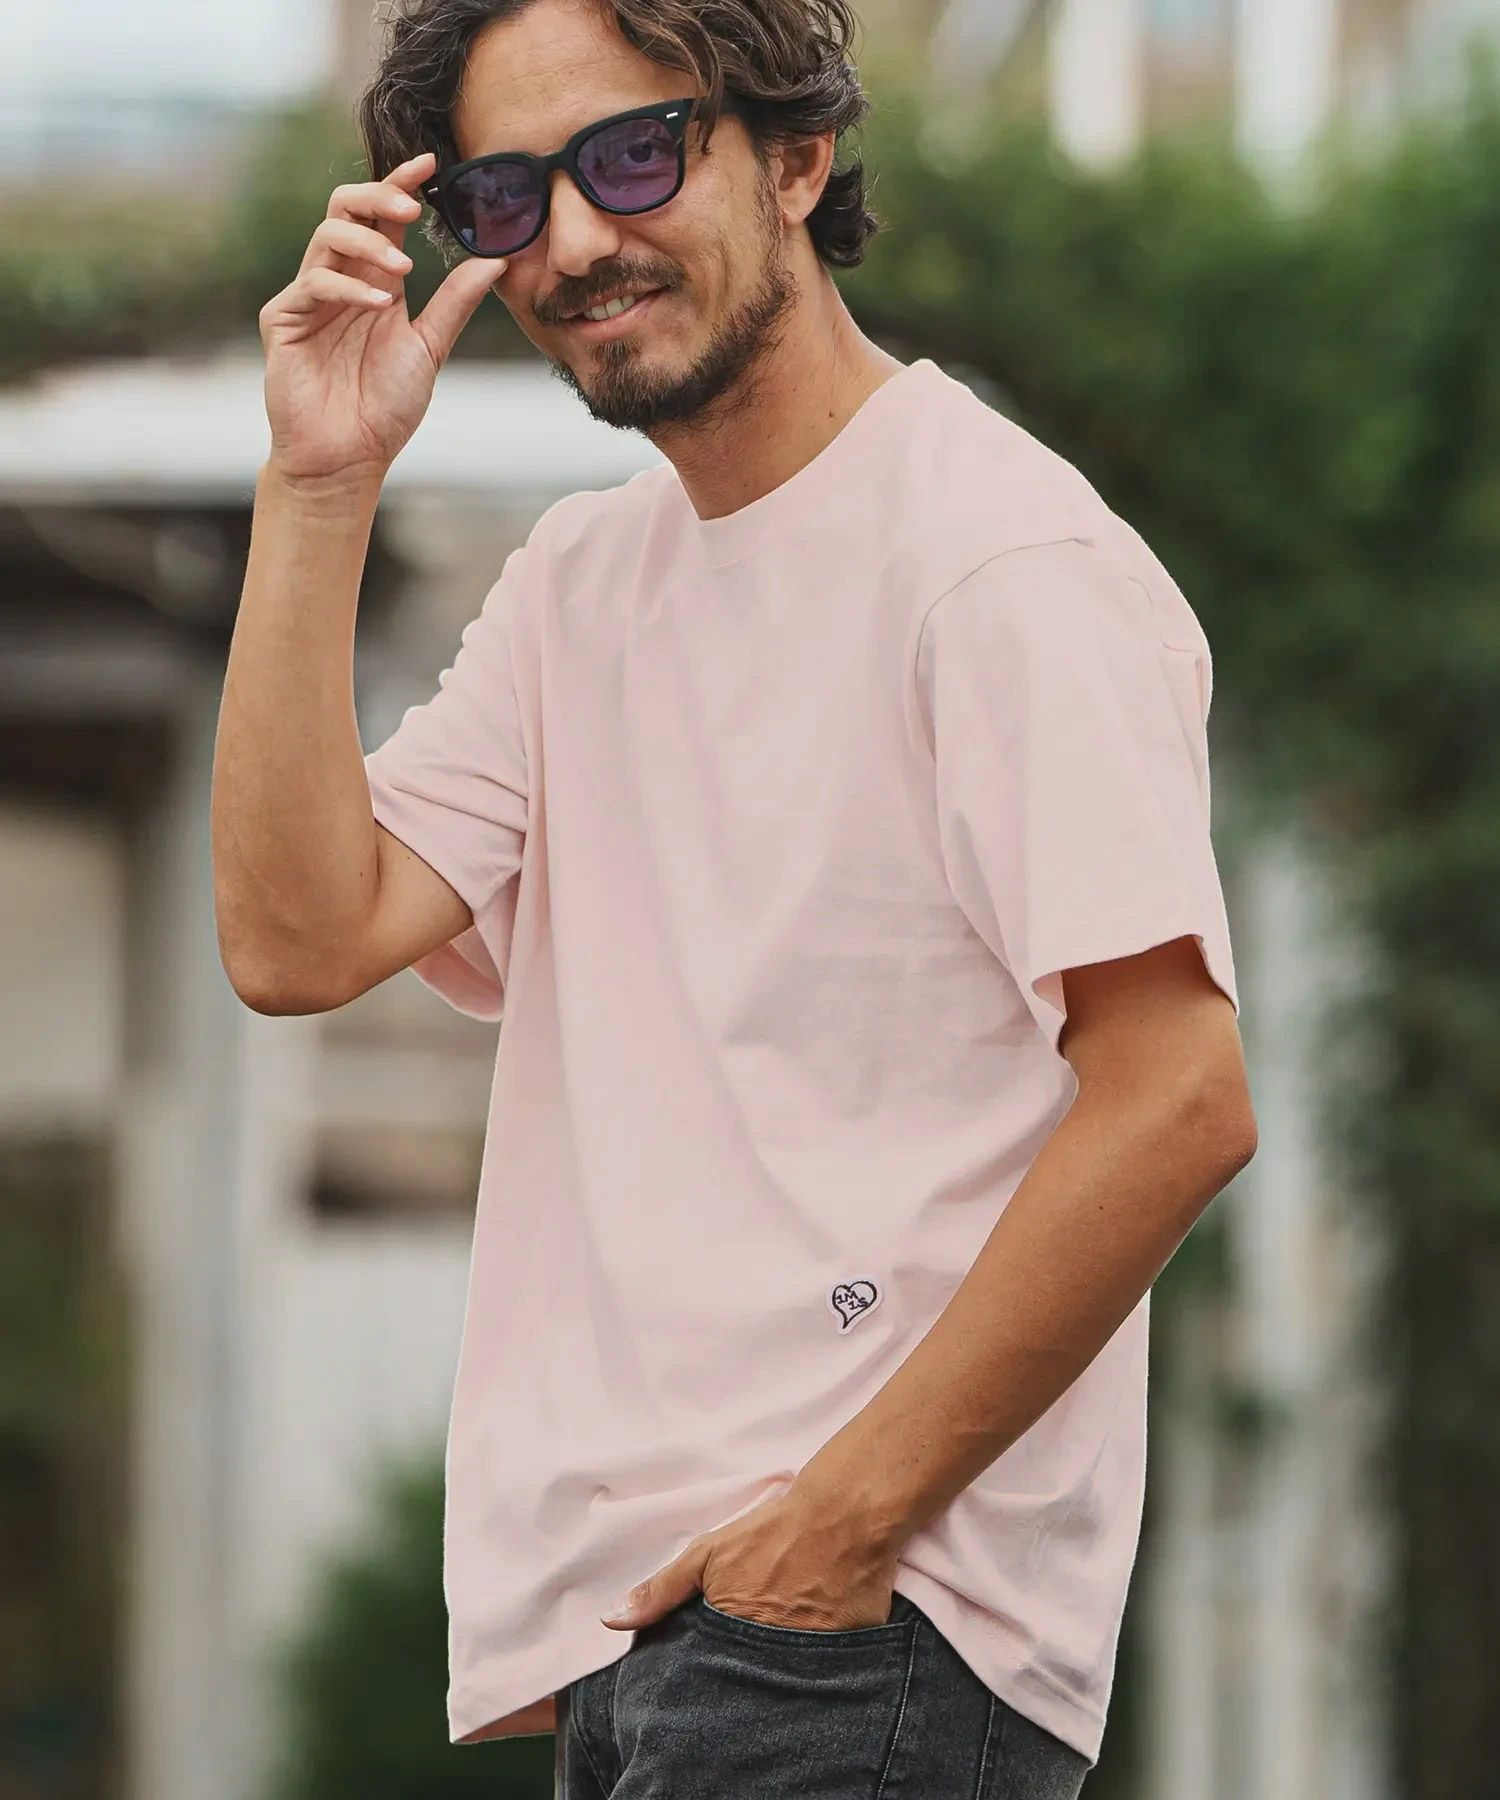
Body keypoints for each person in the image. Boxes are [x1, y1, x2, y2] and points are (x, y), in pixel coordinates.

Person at [214, 0, 1257, 1793]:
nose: (575, 241)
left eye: (634, 155)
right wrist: (320, 483)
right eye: (504, 197)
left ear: (797, 155)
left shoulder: (998, 562)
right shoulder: (579, 585)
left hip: (861, 1636)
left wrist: (841, 1525)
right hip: (656, 1640)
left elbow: (1179, 1095)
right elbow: (297, 938)